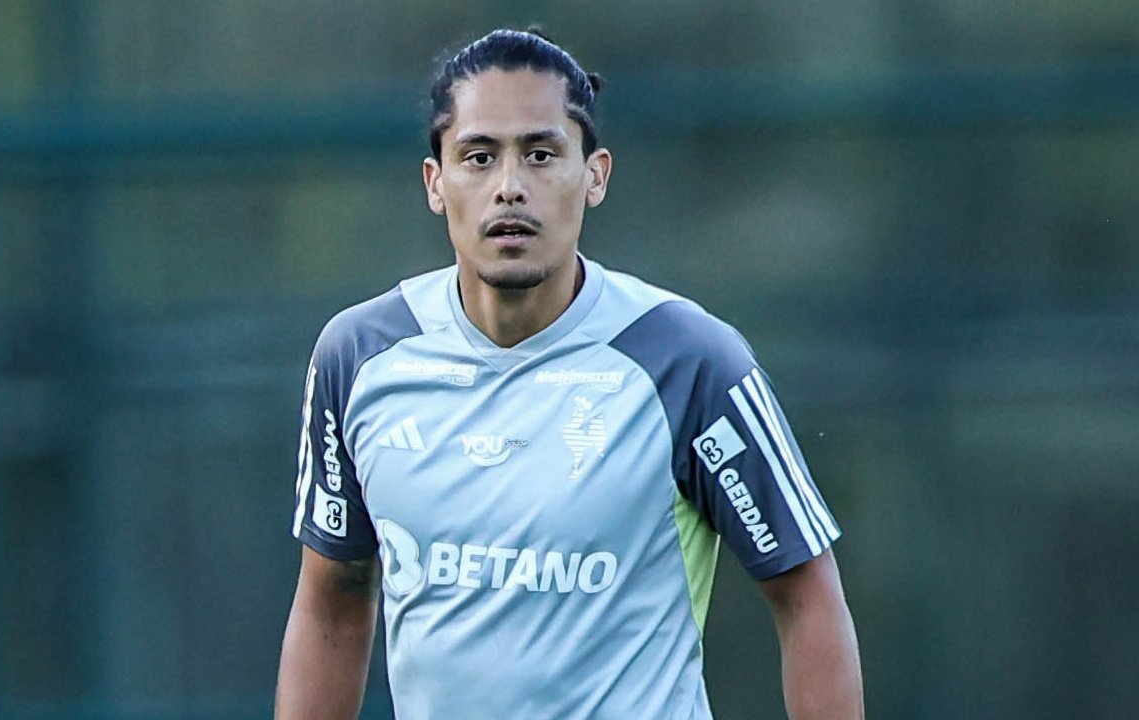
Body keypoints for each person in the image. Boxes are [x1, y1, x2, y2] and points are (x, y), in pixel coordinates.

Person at [275, 27, 863, 720]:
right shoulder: (359, 357)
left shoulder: (688, 360)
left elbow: (807, 596)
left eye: (541, 154)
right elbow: (334, 600)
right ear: (436, 182)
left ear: (595, 175)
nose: (509, 187)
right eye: (479, 156)